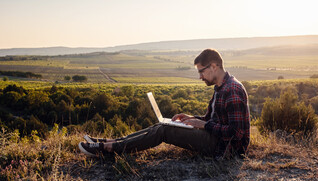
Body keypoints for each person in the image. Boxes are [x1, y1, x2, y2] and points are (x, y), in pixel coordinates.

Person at [79, 49, 250, 159]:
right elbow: (213, 120)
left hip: (226, 148)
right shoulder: (221, 87)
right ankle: (111, 142)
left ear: (213, 66)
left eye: (201, 71)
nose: (200, 77)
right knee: (161, 125)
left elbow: (237, 133)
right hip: (216, 139)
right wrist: (191, 119)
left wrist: (203, 125)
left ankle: (110, 149)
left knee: (164, 130)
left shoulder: (232, 90)